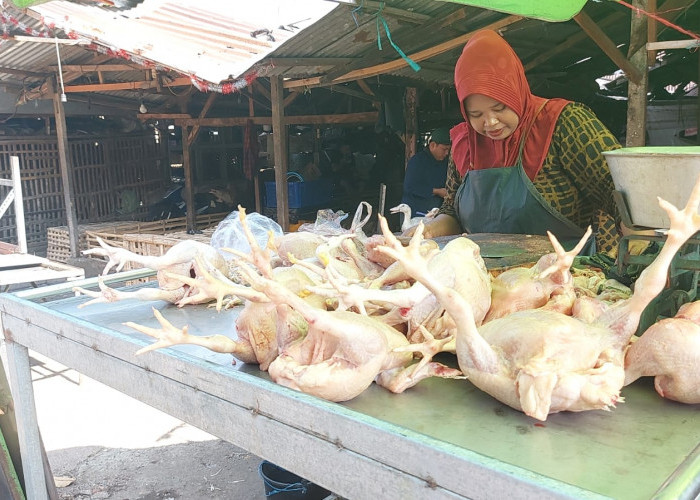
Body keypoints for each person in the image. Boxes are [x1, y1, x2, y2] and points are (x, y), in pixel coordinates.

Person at [411, 29, 622, 256]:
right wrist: (426, 232)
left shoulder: (564, 123)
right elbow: (451, 211)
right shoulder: (464, 143)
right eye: (475, 114)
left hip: (570, 277)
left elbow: (620, 192)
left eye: (499, 107)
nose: (490, 122)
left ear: (516, 89)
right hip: (491, 280)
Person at [401, 128, 451, 216]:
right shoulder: (417, 161)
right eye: (444, 149)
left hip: (435, 213)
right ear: (432, 145)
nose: (447, 153)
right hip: (414, 213)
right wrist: (437, 191)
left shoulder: (445, 163)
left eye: (448, 150)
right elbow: (409, 187)